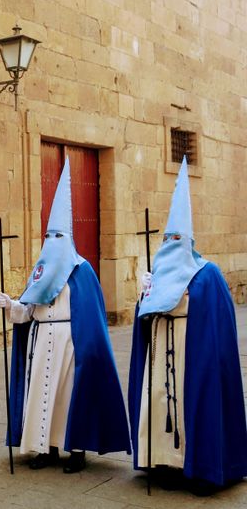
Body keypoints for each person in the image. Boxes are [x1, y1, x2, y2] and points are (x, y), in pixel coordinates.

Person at [0, 159, 130, 473]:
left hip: (72, 343)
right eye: (48, 236)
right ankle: (46, 449)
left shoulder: (82, 270)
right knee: (42, 395)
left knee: (70, 396)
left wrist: (90, 350)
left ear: (68, 239)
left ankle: (77, 450)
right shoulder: (40, 272)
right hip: (43, 341)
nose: (52, 242)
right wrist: (11, 305)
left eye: (58, 236)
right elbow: (29, 311)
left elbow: (93, 317)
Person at [128, 157, 247, 495]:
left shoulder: (208, 274)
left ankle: (204, 467)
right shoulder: (157, 271)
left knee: (196, 405)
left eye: (177, 238)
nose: (171, 244)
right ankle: (165, 463)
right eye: (168, 238)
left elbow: (215, 325)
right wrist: (144, 296)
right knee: (160, 405)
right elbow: (145, 317)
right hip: (163, 350)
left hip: (192, 355)